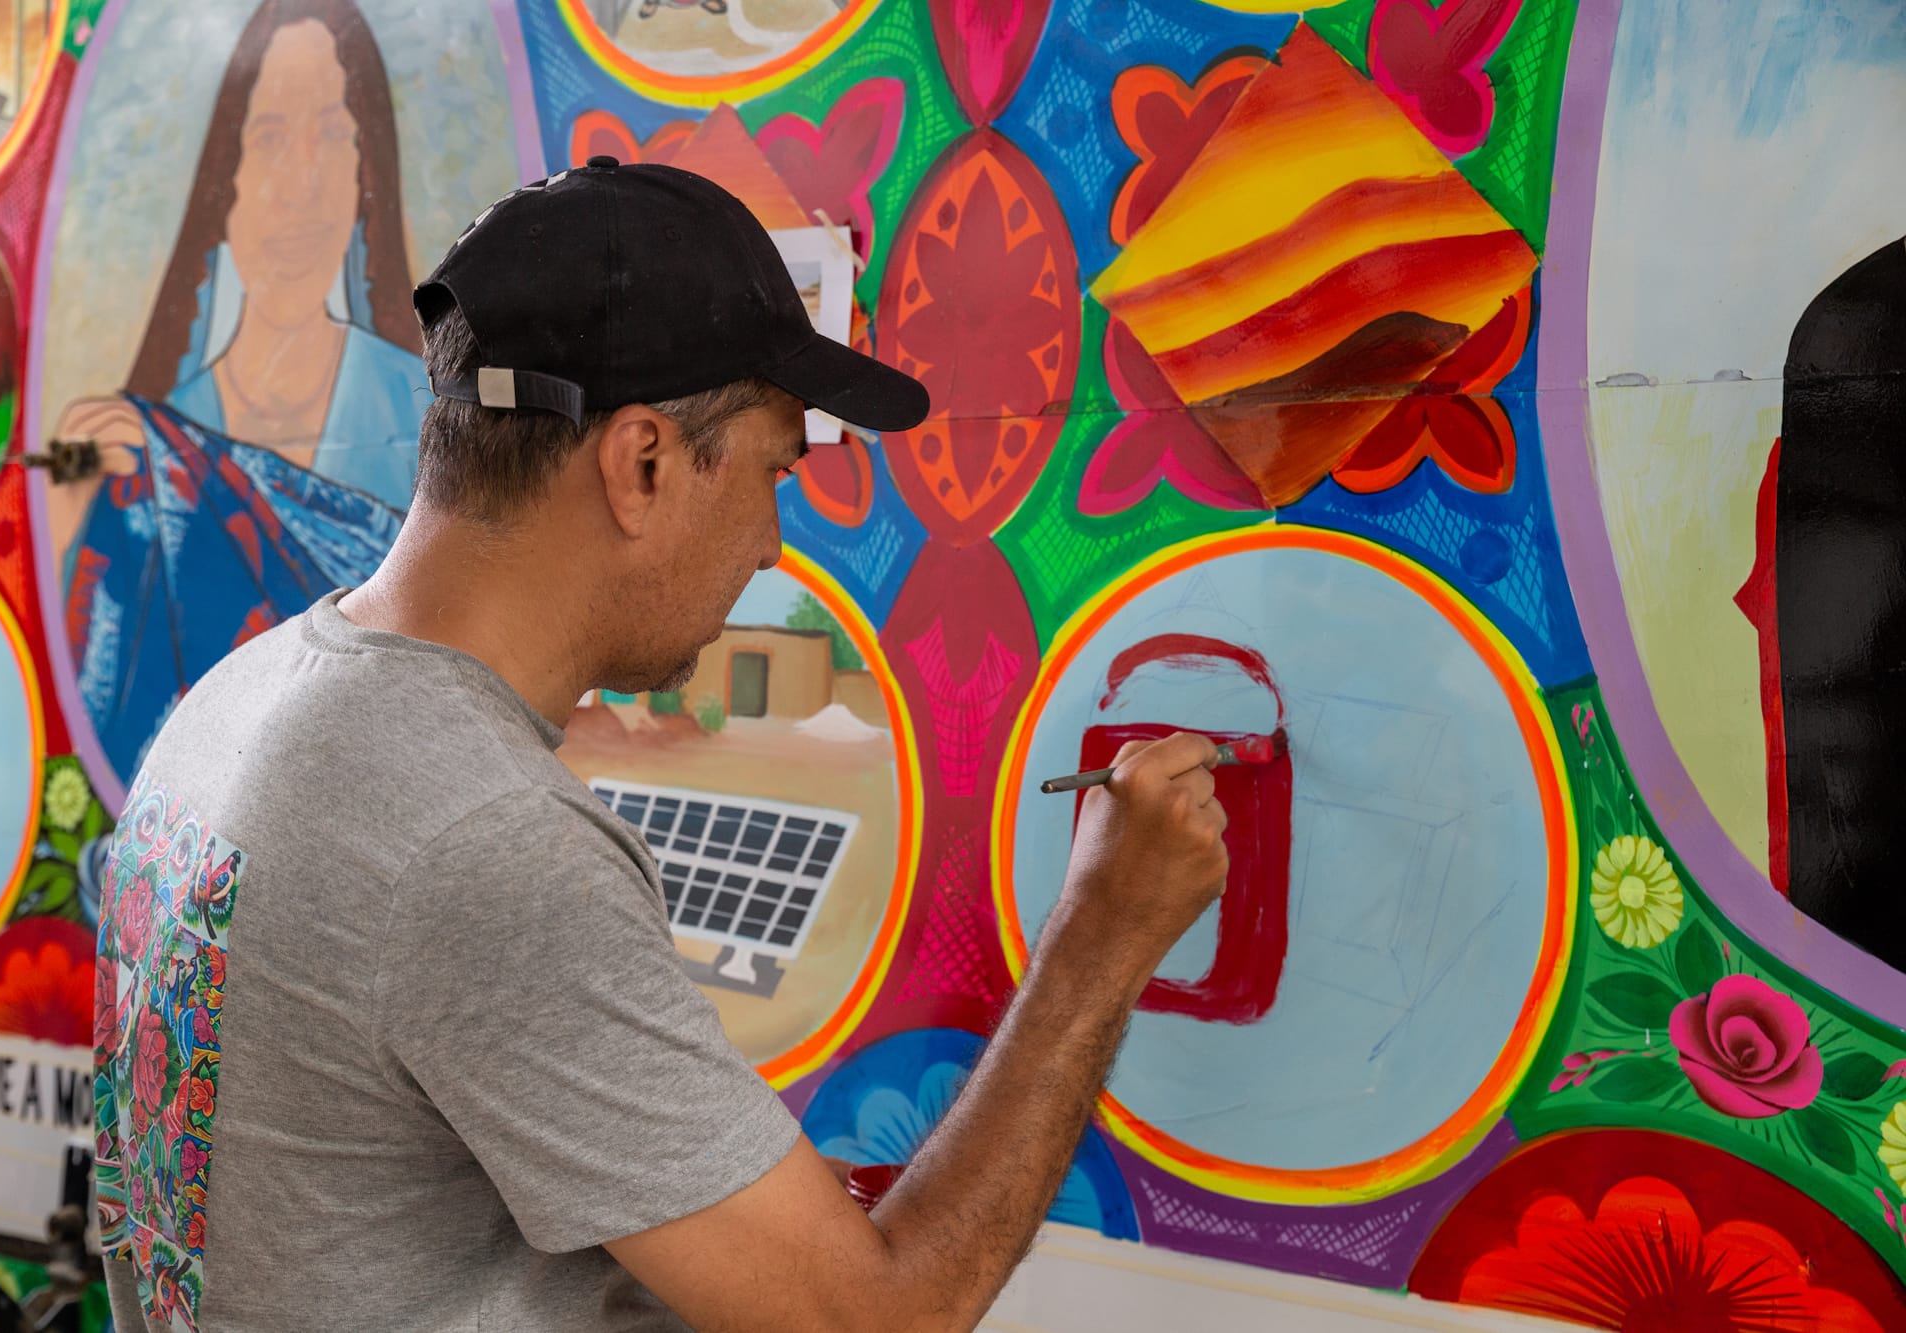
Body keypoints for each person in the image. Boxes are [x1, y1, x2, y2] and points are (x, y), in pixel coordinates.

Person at [91, 158, 1232, 1332]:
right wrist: (1102, 936)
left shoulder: (234, 703)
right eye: (774, 470)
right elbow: (873, 1320)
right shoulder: (486, 842)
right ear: (641, 463)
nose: (773, 544)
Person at [45, 0, 427, 788]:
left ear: (365, 176)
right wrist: (65, 519)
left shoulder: (431, 417)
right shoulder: (140, 453)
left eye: (333, 136)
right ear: (225, 183)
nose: (299, 187)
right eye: (269, 139)